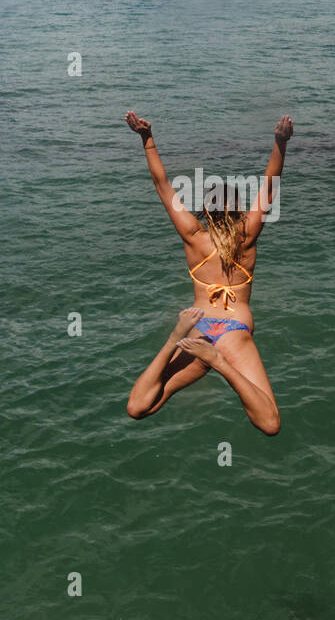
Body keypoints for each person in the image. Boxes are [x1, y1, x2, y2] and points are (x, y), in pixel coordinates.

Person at [124, 111, 292, 435]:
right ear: (238, 207)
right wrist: (280, 142)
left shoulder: (193, 236)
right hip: (234, 333)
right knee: (270, 423)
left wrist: (147, 139)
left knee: (139, 407)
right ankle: (219, 362)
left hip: (197, 328)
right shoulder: (247, 236)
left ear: (205, 210)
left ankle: (175, 338)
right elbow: (270, 188)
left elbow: (162, 185)